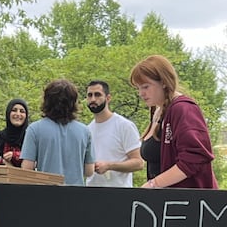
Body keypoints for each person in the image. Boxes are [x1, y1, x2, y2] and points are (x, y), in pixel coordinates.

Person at [130, 55, 216, 189]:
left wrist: (154, 184)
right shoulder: (158, 111)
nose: (141, 93)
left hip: (187, 202)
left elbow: (195, 157)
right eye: (138, 88)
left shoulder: (183, 109)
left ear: (164, 82)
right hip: (166, 202)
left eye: (146, 86)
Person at [21, 79, 93, 187]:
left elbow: (27, 169)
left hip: (46, 195)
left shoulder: (34, 129)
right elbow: (89, 171)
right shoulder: (85, 131)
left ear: (46, 101)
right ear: (73, 103)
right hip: (76, 197)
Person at [84, 80, 143, 188]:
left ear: (108, 98)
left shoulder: (124, 126)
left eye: (97, 95)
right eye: (89, 95)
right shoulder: (87, 130)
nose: (93, 99)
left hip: (118, 195)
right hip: (91, 194)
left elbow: (138, 163)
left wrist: (109, 166)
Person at [0, 99, 30, 166]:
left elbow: (38, 162)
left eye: (22, 111)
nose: (18, 114)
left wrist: (16, 156)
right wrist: (2, 162)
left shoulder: (31, 138)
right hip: (0, 175)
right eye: (14, 110)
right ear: (8, 113)